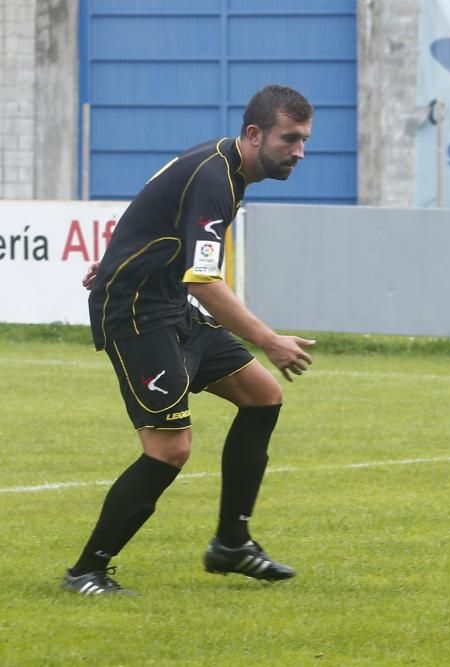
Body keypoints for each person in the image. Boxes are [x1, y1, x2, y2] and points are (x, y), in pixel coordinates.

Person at [62, 84, 316, 595]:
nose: (299, 152)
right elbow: (203, 279)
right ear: (254, 134)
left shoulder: (224, 166)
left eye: (304, 140)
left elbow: (153, 211)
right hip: (136, 314)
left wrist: (114, 260)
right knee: (169, 447)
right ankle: (86, 571)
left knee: (263, 394)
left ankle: (231, 543)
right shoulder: (216, 177)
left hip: (169, 306)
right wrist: (268, 338)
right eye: (290, 139)